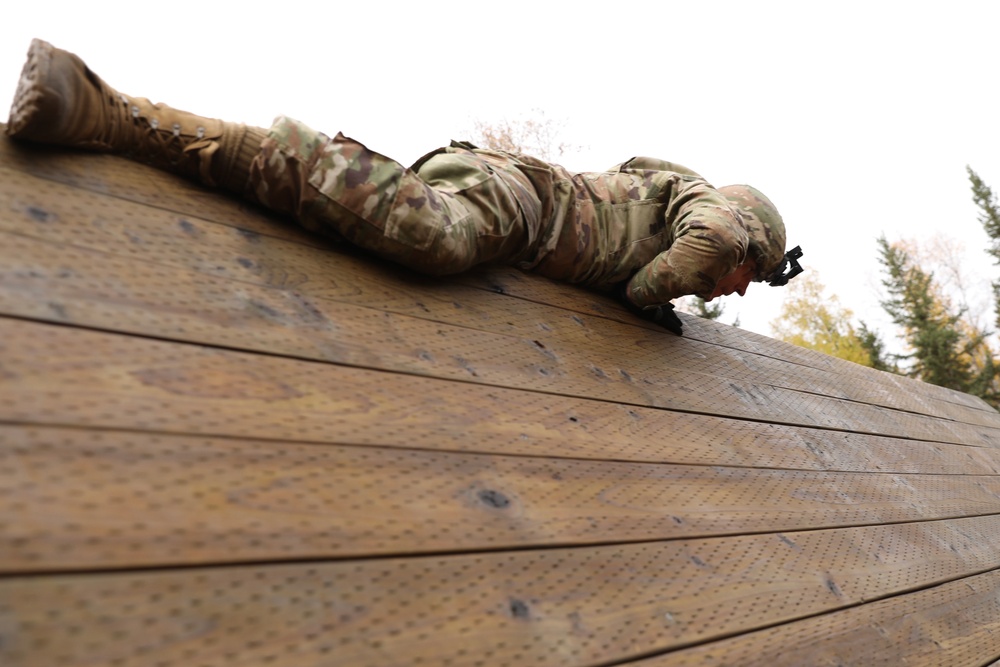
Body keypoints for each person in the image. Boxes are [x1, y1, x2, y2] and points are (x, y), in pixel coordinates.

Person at [5, 39, 801, 336]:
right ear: (758, 238)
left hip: (518, 214)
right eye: (748, 281)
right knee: (438, 239)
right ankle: (111, 113)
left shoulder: (672, 203)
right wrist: (648, 297)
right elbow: (716, 244)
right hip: (519, 204)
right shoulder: (715, 209)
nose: (733, 290)